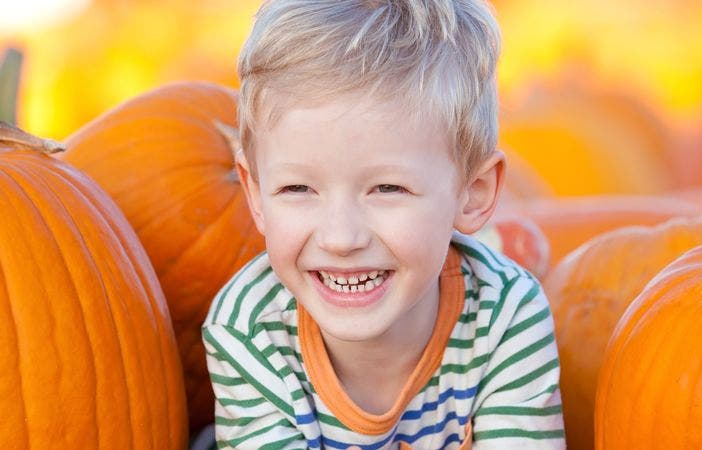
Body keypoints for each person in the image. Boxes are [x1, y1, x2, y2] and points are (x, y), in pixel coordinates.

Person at [202, 1, 565, 448]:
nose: (340, 238)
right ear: (255, 194)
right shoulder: (248, 331)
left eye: (388, 189)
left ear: (473, 192)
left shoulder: (507, 315)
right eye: (297, 189)